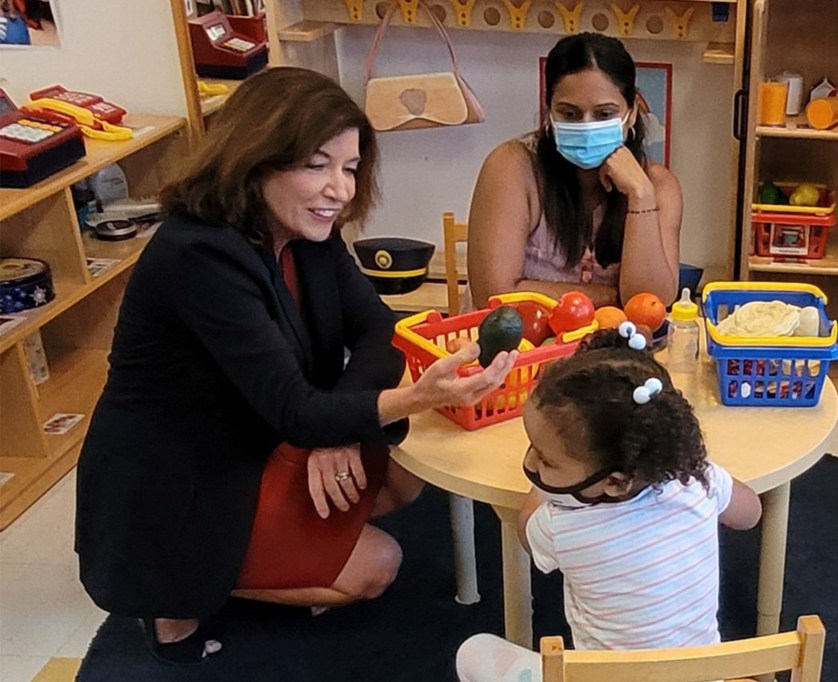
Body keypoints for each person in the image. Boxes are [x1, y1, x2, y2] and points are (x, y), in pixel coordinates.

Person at [74, 67, 517, 665]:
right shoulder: (197, 253)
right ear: (255, 159)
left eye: (350, 167)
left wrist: (332, 430)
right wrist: (409, 399)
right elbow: (295, 408)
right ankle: (177, 588)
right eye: (317, 165)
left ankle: (246, 556)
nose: (340, 188)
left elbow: (378, 329)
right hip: (180, 482)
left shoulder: (307, 235)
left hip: (260, 437)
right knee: (378, 566)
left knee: (403, 473)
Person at [455, 324, 762, 681]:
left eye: (544, 458)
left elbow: (525, 531)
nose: (532, 464)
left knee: (473, 651)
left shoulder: (561, 527)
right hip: (704, 677)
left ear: (615, 482)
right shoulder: (698, 480)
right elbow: (750, 513)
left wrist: (545, 491)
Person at [466, 33, 682, 310]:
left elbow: (650, 303)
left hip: (611, 351)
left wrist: (640, 194)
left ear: (632, 111)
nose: (586, 126)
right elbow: (495, 296)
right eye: (569, 114)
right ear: (549, 112)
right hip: (517, 350)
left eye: (604, 114)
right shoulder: (511, 166)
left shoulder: (658, 185)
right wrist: (609, 297)